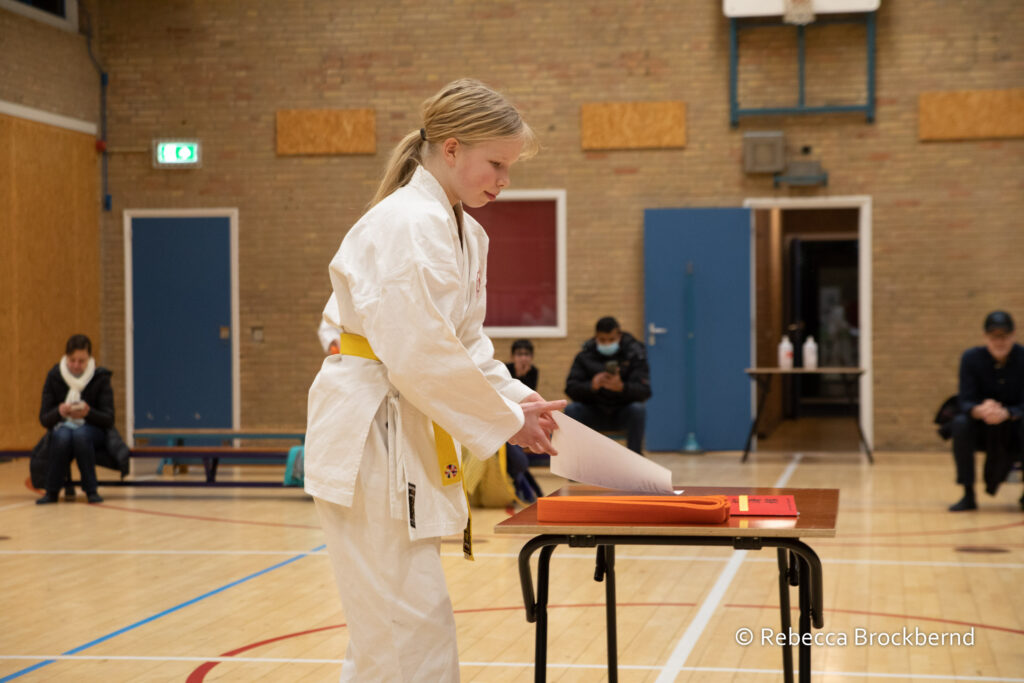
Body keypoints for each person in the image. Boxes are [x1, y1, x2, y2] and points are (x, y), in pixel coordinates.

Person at [304, 79, 566, 681]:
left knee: (393, 630)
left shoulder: (463, 230)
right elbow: (419, 353)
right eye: (496, 163)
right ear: (451, 150)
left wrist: (521, 400)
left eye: (510, 167)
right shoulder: (407, 223)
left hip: (400, 427)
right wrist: (505, 421)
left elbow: (466, 343)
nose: (503, 180)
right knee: (407, 628)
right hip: (372, 432)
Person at [948, 311, 1024, 512]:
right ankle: (968, 494)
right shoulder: (971, 358)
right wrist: (979, 410)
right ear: (985, 337)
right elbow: (964, 400)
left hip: (1015, 427)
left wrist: (1008, 413)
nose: (999, 342)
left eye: (1004, 336)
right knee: (960, 424)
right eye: (994, 336)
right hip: (982, 427)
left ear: (1013, 335)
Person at [36, 334, 113, 504]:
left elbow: (109, 419)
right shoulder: (54, 376)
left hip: (93, 430)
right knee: (62, 436)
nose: (76, 365)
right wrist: (59, 412)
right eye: (72, 360)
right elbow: (44, 418)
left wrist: (88, 413)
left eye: (81, 361)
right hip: (62, 427)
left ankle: (91, 490)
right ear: (66, 357)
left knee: (80, 434)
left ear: (89, 359)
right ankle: (52, 491)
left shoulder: (100, 378)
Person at [565, 316, 651, 454]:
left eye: (611, 340)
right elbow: (570, 388)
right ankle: (575, 463)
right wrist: (591, 386)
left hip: (622, 412)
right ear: (595, 338)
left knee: (638, 410)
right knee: (572, 410)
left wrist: (622, 388)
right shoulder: (584, 356)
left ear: (619, 336)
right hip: (593, 411)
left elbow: (645, 391)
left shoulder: (634, 355)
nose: (607, 344)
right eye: (602, 340)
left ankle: (635, 463)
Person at [504, 339, 544, 501]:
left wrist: (523, 376)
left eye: (527, 354)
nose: (523, 358)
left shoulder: (533, 372)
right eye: (519, 354)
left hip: (520, 417)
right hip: (505, 417)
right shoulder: (504, 370)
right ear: (513, 356)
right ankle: (521, 481)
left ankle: (522, 481)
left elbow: (528, 399)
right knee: (517, 459)